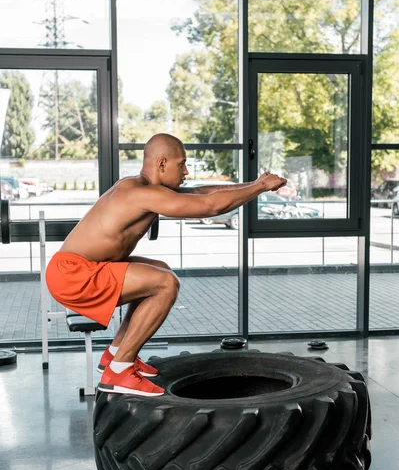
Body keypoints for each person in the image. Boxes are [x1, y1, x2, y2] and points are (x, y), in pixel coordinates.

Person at [46, 133, 286, 397]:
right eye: (181, 164)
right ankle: (119, 370)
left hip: (75, 268)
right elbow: (210, 206)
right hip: (74, 274)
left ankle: (116, 352)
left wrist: (255, 182)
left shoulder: (138, 186)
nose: (186, 171)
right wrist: (261, 188)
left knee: (158, 269)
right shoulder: (140, 194)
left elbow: (200, 192)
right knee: (165, 283)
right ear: (161, 164)